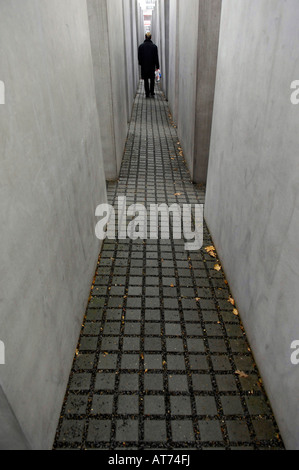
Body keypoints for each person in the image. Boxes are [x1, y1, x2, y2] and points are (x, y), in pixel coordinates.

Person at [138, 32, 160, 98]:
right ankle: (152, 92)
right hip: (152, 66)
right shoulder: (154, 47)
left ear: (145, 37)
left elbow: (139, 57)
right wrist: (157, 66)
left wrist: (141, 63)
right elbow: (156, 57)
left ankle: (147, 93)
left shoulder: (141, 47)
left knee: (146, 80)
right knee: (152, 79)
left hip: (144, 66)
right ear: (151, 37)